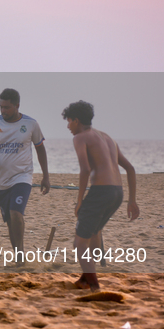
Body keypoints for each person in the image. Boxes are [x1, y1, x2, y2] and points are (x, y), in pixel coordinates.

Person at [62, 101, 139, 291]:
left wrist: (80, 201)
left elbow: (85, 169)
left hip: (101, 193)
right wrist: (132, 200)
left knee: (79, 243)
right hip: (117, 193)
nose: (68, 126)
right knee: (94, 232)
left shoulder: (80, 137)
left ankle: (95, 287)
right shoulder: (107, 138)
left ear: (76, 120)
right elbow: (130, 168)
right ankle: (85, 278)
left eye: (69, 121)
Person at [0, 88, 50, 261]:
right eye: (1, 107)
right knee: (10, 221)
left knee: (16, 213)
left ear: (17, 106)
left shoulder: (31, 124)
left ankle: (20, 254)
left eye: (7, 107)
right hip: (2, 181)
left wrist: (46, 176)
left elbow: (40, 149)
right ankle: (17, 255)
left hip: (23, 177)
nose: (3, 111)